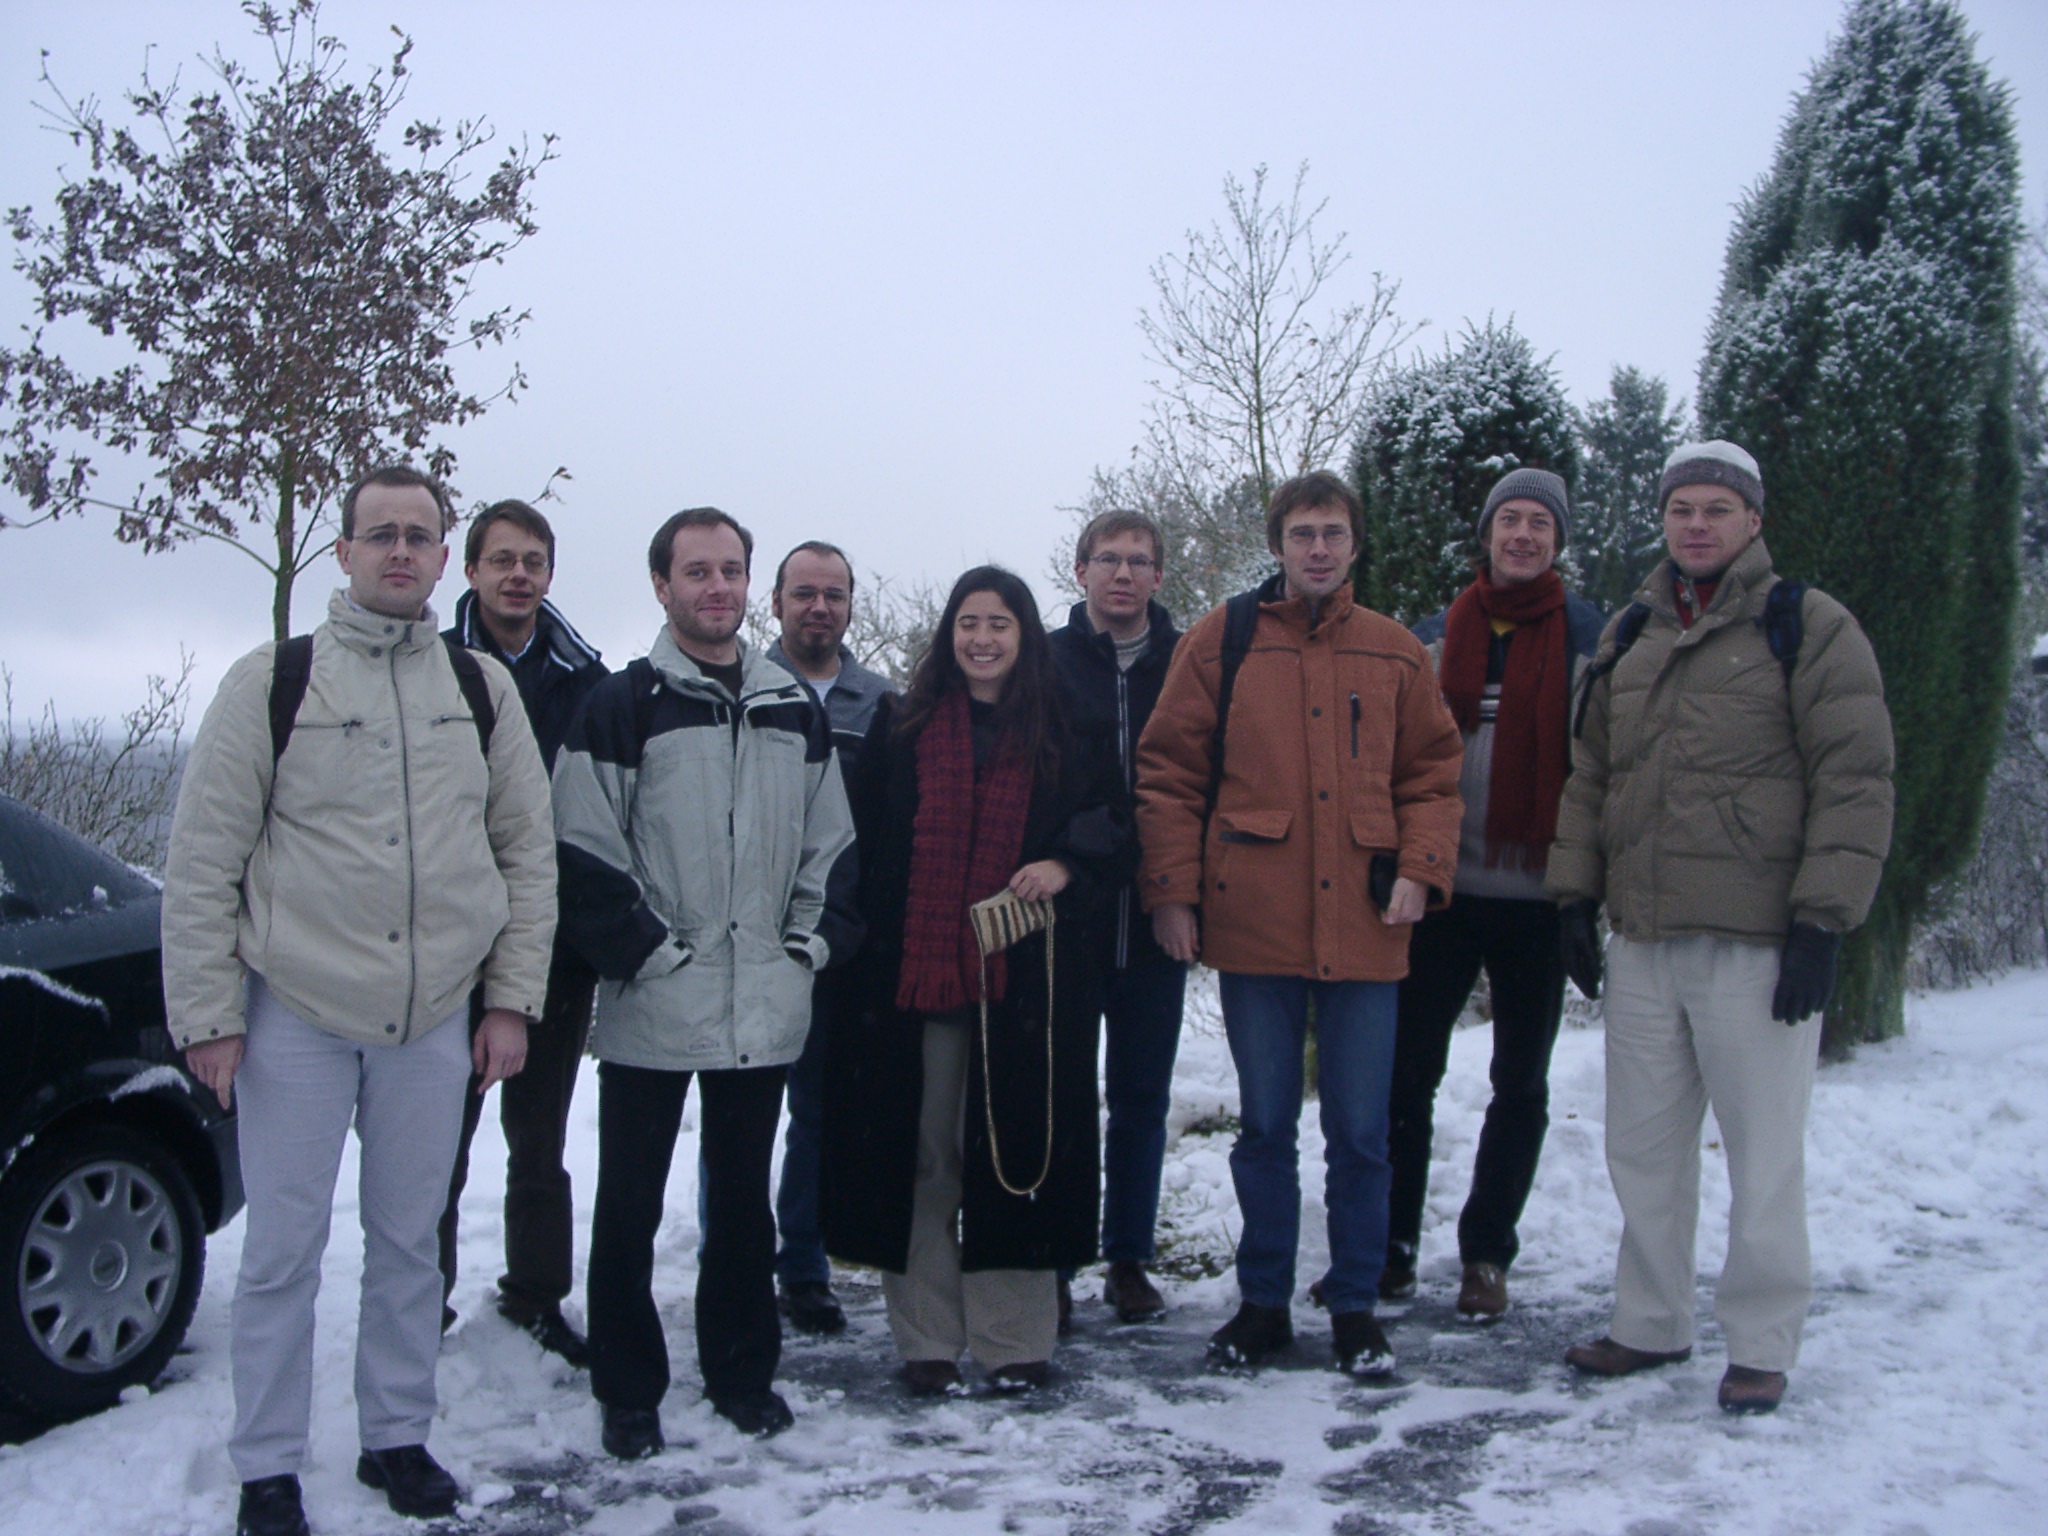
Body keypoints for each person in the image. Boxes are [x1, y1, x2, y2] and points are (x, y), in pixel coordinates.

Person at [163, 466, 556, 1536]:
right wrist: (209, 1015)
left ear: (441, 559)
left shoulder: (481, 687)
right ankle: (266, 1465)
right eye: (380, 534)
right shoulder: (274, 681)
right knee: (282, 1253)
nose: (399, 551)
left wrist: (509, 1000)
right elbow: (204, 858)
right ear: (342, 552)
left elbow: (526, 855)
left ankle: (396, 1437)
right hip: (295, 1009)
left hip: (433, 1017)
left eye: (418, 536)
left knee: (409, 1242)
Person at [1548, 440, 1893, 1415]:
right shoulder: (1631, 634)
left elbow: (1855, 779)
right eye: (1680, 509)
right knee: (1642, 1147)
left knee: (1761, 1152)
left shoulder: (1807, 626)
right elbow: (1591, 775)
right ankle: (1650, 1320)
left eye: (1715, 509)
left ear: (1752, 521)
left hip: (1756, 944)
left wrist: (1822, 920)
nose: (1695, 525)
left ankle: (1761, 1341)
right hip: (1645, 939)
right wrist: (1572, 897)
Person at [1136, 470, 1463, 1377]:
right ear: (1277, 543)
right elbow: (1168, 772)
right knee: (1266, 1128)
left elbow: (1433, 775)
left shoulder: (1396, 652)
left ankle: (1355, 1304)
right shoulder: (1222, 641)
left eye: (1334, 534)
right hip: (1256, 923)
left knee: (1361, 1133)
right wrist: (1172, 892)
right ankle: (1263, 1303)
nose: (1318, 549)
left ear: (1355, 544)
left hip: (1367, 924)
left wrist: (1423, 869)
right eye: (1302, 534)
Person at [550, 508, 855, 1458]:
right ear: (662, 586)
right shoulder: (621, 704)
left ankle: (741, 1372)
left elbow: (832, 845)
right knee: (629, 1207)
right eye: (697, 571)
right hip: (656, 1000)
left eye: (730, 570)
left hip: (761, 1000)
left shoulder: (790, 706)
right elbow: (581, 848)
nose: (716, 587)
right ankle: (628, 1387)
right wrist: (648, 954)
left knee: (741, 1207)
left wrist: (803, 948)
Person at [822, 566, 1128, 1395]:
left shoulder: (1067, 727)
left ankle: (1013, 1340)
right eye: (968, 623)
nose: (982, 639)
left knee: (1015, 1156)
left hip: (1027, 987)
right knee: (925, 1160)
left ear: (1024, 636)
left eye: (999, 624)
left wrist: (1065, 865)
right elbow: (861, 847)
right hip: (914, 985)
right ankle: (926, 1337)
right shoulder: (903, 727)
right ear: (948, 633)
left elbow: (1114, 824)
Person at [1386, 469, 1605, 1319]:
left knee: (1521, 1084)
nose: (1523, 534)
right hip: (1440, 893)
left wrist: (1586, 894)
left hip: (1539, 898)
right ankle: (1393, 1247)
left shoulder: (1592, 639)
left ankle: (1486, 1254)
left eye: (1539, 523)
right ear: (1486, 533)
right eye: (1509, 518)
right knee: (1408, 1075)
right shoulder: (1434, 637)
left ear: (1558, 540)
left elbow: (1603, 767)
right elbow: (1399, 759)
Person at [437, 498, 608, 1365]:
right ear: (471, 571)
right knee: (438, 1141)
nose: (517, 576)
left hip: (552, 944)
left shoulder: (588, 680)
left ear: (549, 574)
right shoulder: (430, 668)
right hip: (447, 940)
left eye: (532, 561)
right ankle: (418, 1298)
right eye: (501, 560)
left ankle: (536, 1294)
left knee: (538, 1139)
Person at [1048, 509, 1186, 1324]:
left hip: (1160, 920)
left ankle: (1129, 1258)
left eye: (1139, 561)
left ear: (1159, 575)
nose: (1123, 574)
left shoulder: (1190, 661)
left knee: (1141, 1099)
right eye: (1108, 559)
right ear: (1081, 572)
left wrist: (1183, 893)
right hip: (1071, 920)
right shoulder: (1045, 662)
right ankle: (1058, 1259)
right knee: (1063, 1098)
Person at [762, 540, 894, 1334]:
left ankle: (804, 1269)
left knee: (816, 1112)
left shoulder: (882, 705)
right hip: (750, 941)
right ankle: (733, 1259)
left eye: (834, 595)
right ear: (776, 602)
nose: (819, 607)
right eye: (804, 593)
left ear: (850, 606)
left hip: (842, 943)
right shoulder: (743, 689)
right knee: (742, 1116)